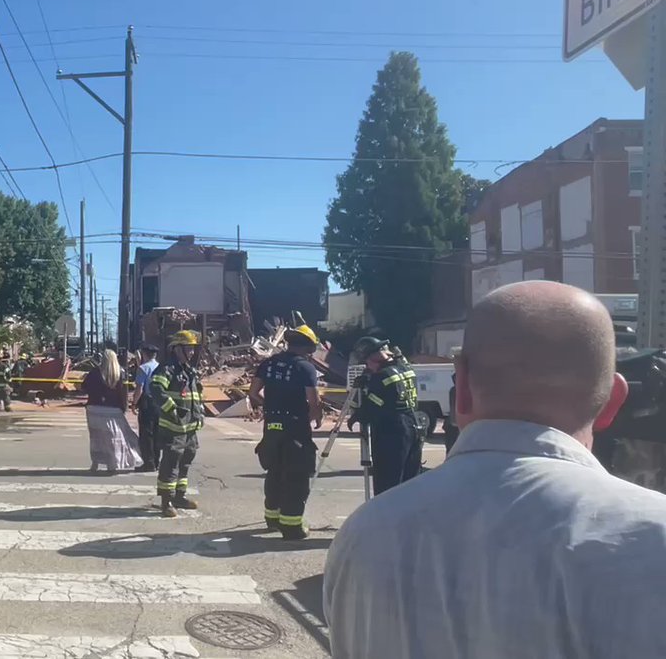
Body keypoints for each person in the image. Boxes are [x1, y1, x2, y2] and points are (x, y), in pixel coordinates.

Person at [324, 281, 666, 658]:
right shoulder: (652, 536)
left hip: (392, 432)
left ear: (463, 388)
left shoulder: (364, 534)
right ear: (612, 401)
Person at [248, 324, 323, 539]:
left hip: (271, 425)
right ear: (309, 347)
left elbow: (253, 392)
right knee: (296, 475)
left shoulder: (268, 363)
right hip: (295, 426)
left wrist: (270, 409)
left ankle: (272, 518)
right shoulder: (305, 368)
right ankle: (291, 526)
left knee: (274, 471)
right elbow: (313, 400)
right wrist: (312, 418)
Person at [351, 336, 420, 494]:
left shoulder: (381, 377)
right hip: (414, 426)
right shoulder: (407, 369)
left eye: (367, 361)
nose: (367, 365)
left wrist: (358, 413)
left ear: (373, 357)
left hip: (392, 433)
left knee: (388, 484)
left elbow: (370, 410)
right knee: (410, 482)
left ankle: (386, 517)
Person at [151, 330, 204, 518]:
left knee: (185, 463)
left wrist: (200, 414)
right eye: (188, 349)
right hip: (174, 428)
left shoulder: (188, 370)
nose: (191, 353)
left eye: (192, 349)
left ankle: (180, 496)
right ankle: (166, 501)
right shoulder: (167, 369)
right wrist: (172, 409)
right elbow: (156, 389)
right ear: (176, 349)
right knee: (170, 464)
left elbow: (196, 396)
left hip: (190, 429)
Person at [82, 349, 143, 473]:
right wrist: (124, 407)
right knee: (116, 438)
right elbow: (123, 394)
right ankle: (113, 463)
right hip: (113, 410)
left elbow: (84, 387)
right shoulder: (119, 373)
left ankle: (95, 463)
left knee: (96, 438)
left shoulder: (95, 372)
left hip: (94, 408)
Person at [130, 343, 161, 472]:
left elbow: (139, 388)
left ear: (145, 354)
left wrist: (134, 403)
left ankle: (149, 463)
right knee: (157, 433)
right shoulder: (161, 367)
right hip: (159, 402)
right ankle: (157, 461)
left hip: (147, 403)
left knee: (146, 434)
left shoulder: (143, 368)